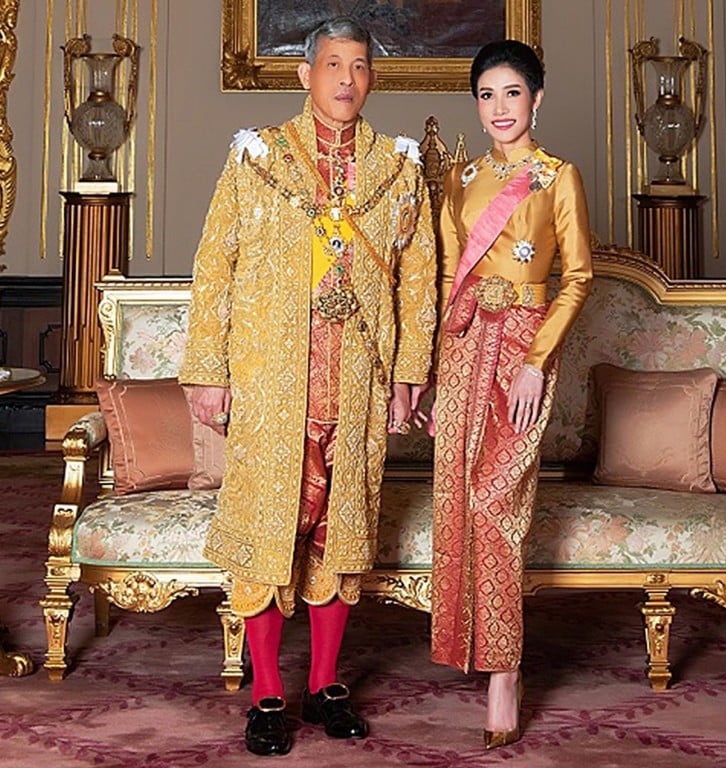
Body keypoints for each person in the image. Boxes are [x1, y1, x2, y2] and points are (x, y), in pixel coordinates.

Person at [179, 16, 436, 757]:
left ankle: (325, 686)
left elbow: (420, 276)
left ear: (372, 79)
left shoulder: (397, 166)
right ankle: (265, 693)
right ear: (305, 74)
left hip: (356, 377)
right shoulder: (258, 158)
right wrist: (207, 372)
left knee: (339, 532)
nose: (346, 79)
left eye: (358, 66)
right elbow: (214, 265)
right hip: (271, 376)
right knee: (269, 533)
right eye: (332, 64)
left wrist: (409, 371)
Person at [427, 39, 593, 749]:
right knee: (459, 497)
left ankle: (504, 670)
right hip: (465, 347)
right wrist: (433, 376)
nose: (500, 107)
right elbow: (443, 281)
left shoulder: (558, 177)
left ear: (537, 99)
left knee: (498, 501)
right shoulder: (461, 179)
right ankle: (468, 646)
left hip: (524, 351)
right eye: (487, 95)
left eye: (513, 93)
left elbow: (579, 278)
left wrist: (535, 361)